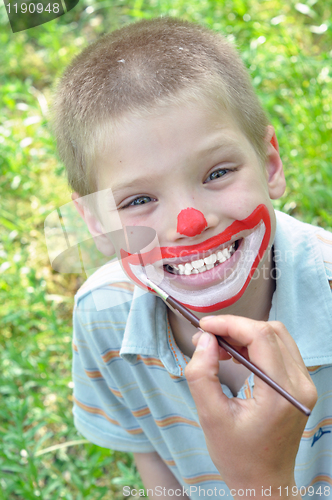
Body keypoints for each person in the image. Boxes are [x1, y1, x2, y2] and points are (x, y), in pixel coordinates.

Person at [52, 17, 332, 499]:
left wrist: (261, 486)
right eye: (137, 200)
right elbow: (155, 463)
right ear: (97, 221)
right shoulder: (102, 319)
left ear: (270, 165)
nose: (190, 221)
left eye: (217, 172)